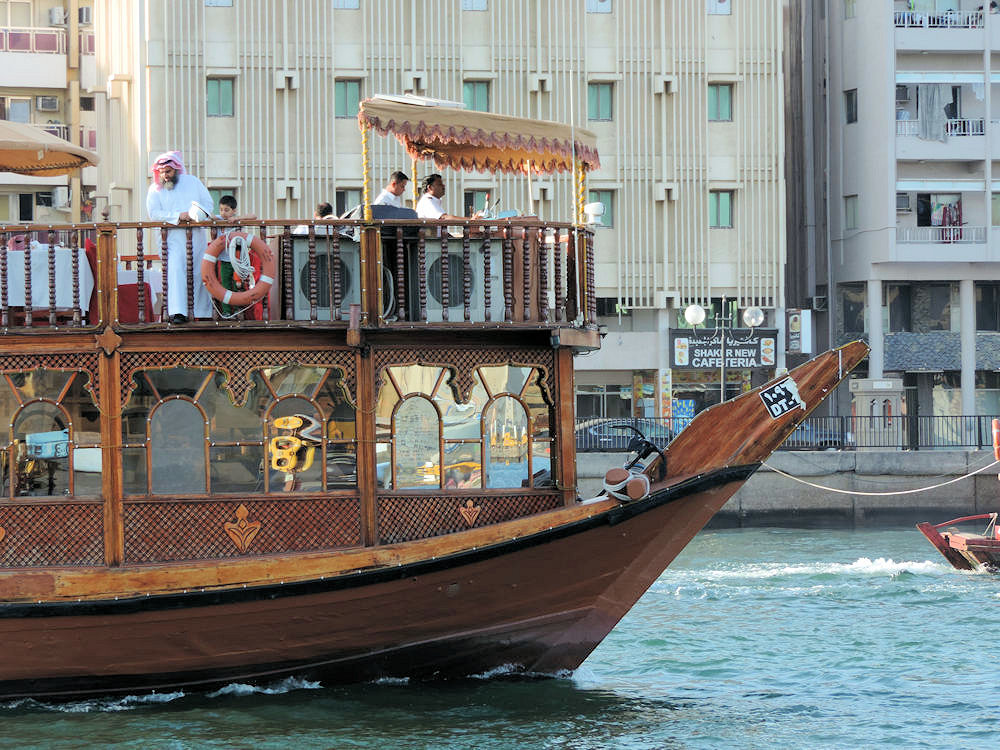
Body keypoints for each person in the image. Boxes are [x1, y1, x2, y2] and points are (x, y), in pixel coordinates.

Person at [145, 151, 213, 324]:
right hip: (171, 239)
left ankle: (202, 312)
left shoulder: (193, 182)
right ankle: (178, 313)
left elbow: (208, 204)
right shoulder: (154, 189)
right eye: (162, 172)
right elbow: (154, 214)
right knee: (175, 271)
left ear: (177, 169)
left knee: (199, 271)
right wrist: (178, 216)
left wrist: (195, 215)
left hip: (195, 238)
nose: (165, 175)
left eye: (168, 171)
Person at [215, 195, 258, 318]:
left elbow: (254, 216)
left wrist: (237, 218)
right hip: (224, 259)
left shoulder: (237, 220)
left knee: (237, 285)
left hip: (237, 260)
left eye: (227, 210)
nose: (223, 213)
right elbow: (210, 217)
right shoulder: (219, 219)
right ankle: (227, 311)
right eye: (221, 209)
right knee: (225, 285)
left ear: (234, 210)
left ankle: (239, 309)